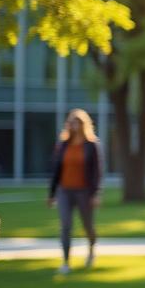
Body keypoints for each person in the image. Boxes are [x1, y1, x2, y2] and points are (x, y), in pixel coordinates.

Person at [47, 110, 103, 273]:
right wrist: (51, 194)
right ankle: (65, 261)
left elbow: (97, 171)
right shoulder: (63, 145)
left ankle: (91, 251)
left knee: (87, 225)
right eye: (71, 122)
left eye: (77, 122)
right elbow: (56, 170)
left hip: (84, 191)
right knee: (65, 225)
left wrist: (96, 193)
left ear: (83, 125)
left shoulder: (91, 145)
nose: (73, 125)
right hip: (64, 190)